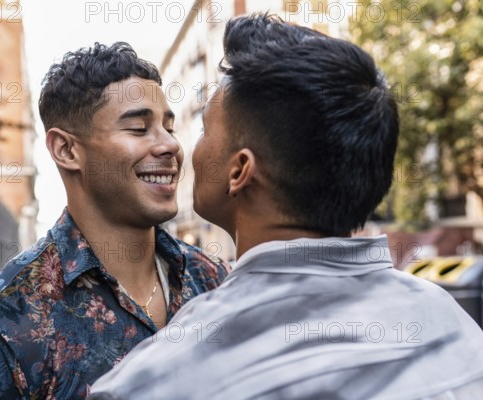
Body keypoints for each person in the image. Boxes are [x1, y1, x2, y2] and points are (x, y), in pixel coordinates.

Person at [89, 14, 483, 400]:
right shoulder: (454, 326)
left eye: (205, 128)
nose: (177, 147)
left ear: (240, 170)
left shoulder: (161, 377)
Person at [0, 42, 229, 399]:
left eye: (168, 128)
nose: (170, 145)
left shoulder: (216, 282)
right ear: (66, 150)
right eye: (139, 129)